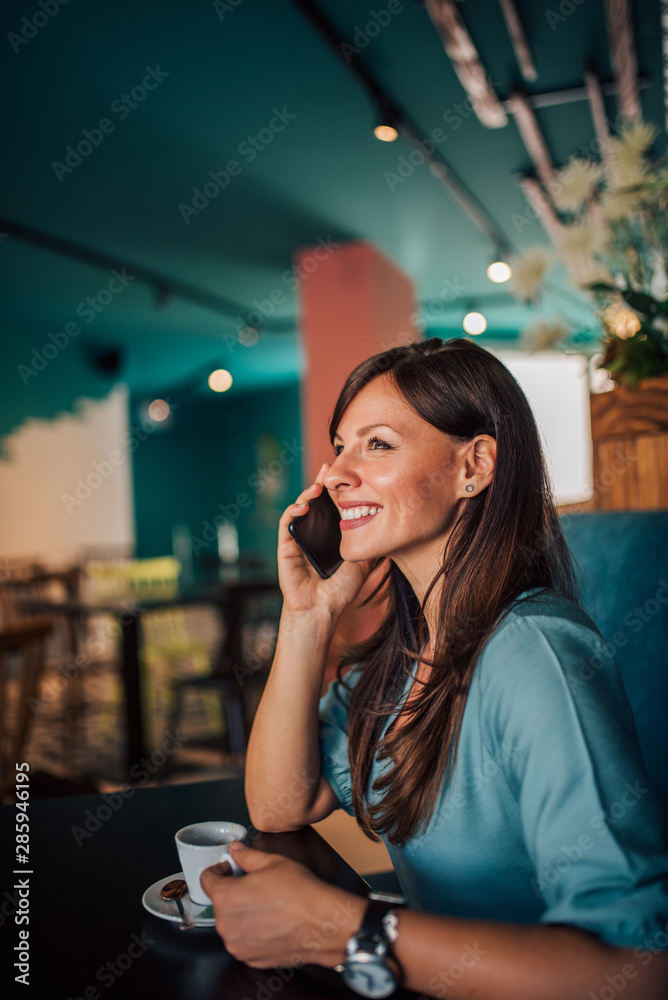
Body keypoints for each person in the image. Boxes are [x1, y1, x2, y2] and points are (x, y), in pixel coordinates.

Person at [201, 338, 668, 998]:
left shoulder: (535, 654)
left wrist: (347, 930)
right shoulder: (403, 657)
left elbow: (640, 971)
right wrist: (307, 615)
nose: (335, 473)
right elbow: (281, 806)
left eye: (377, 444)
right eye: (340, 445)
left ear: (474, 466)